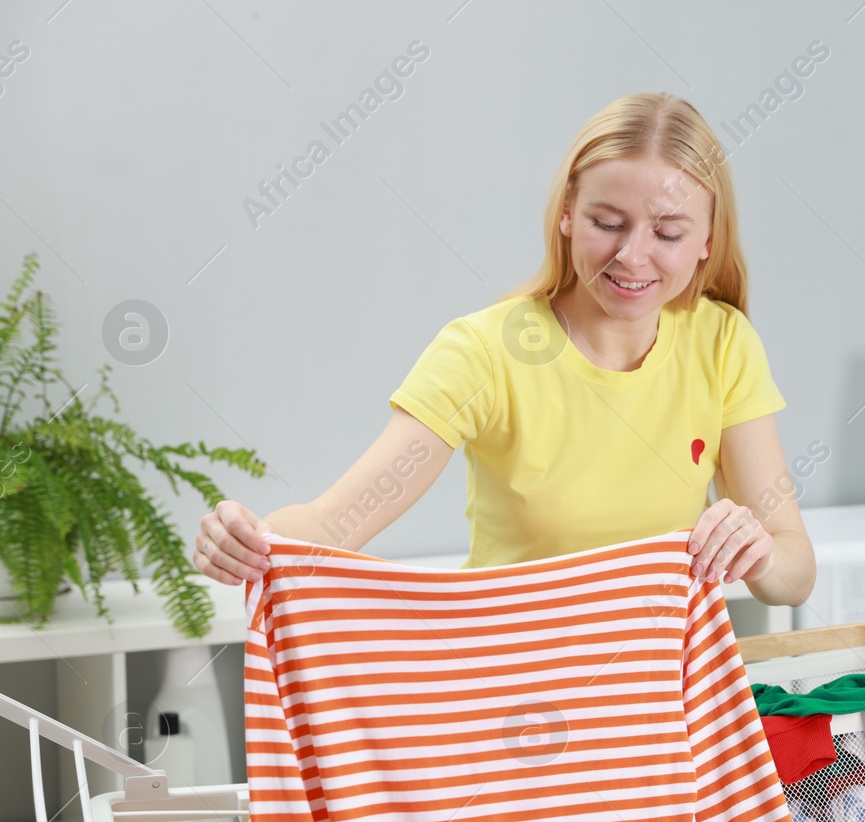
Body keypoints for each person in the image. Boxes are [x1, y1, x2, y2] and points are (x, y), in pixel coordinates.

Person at [193, 91, 816, 607]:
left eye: (668, 232)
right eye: (608, 222)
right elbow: (335, 524)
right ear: (568, 212)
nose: (632, 256)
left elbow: (794, 568)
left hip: (658, 696)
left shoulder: (723, 344)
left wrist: (756, 548)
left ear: (709, 238)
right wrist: (249, 538)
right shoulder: (484, 352)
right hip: (510, 691)